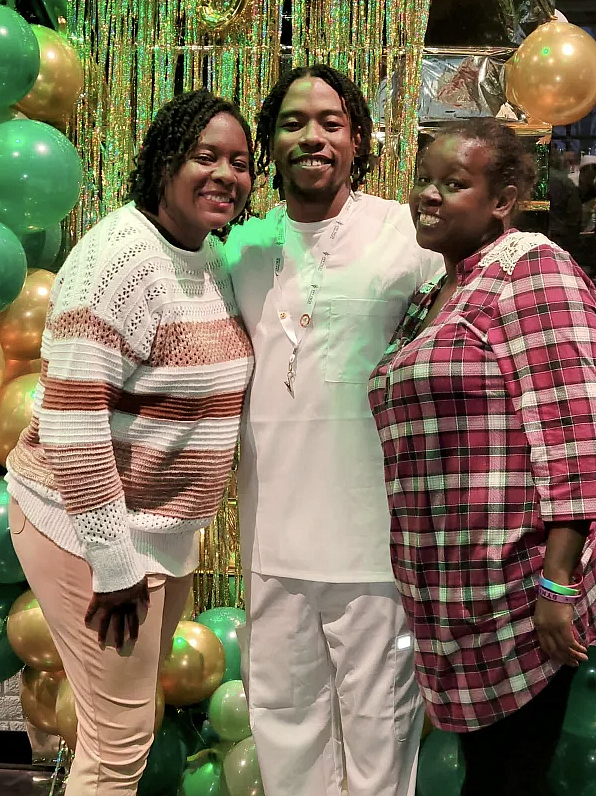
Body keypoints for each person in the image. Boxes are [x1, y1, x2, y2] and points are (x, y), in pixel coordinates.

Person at [5, 89, 255, 795]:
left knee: (123, 725)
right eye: (205, 156)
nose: (225, 175)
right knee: (118, 749)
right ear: (164, 161)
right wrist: (114, 565)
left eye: (238, 162)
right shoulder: (116, 258)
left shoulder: (210, 258)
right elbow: (74, 421)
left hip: (157, 530)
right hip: (84, 527)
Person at [225, 64, 443, 796]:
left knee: (381, 739)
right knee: (284, 727)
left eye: (330, 122)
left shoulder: (407, 236)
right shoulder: (241, 249)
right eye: (292, 122)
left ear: (358, 140)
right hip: (273, 543)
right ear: (269, 143)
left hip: (376, 546)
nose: (312, 136)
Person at [368, 117, 596, 796]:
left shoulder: (531, 268)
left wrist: (559, 583)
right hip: (448, 596)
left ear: (502, 199)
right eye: (424, 180)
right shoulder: (430, 299)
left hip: (519, 594)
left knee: (505, 780)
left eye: (453, 183)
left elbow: (575, 433)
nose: (427, 196)